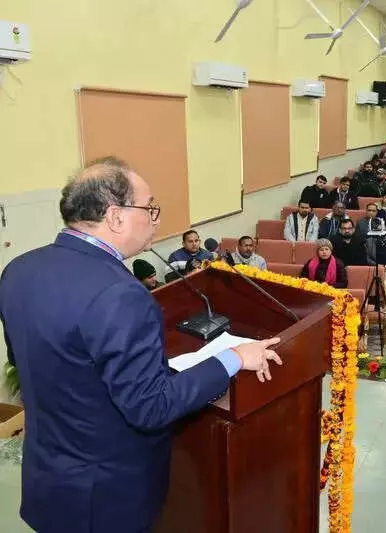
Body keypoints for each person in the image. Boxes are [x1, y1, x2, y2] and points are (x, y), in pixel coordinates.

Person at [0, 157, 282, 533]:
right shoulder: (121, 293)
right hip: (105, 499)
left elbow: (30, 362)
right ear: (115, 217)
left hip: (49, 479)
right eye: (150, 208)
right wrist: (232, 358)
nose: (156, 218)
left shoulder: (19, 269)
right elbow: (152, 407)